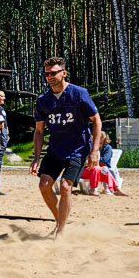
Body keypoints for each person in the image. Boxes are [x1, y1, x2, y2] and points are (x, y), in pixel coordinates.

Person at [29, 56, 102, 239]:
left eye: (53, 73)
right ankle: (60, 221)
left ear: (63, 73)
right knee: (44, 185)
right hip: (55, 148)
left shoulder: (79, 93)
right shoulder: (43, 100)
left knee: (65, 186)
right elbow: (39, 131)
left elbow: (97, 121)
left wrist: (94, 150)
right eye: (46, 74)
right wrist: (36, 157)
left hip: (78, 149)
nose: (50, 76)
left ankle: (60, 232)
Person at [82, 131, 126, 196]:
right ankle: (92, 190)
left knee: (105, 170)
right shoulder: (86, 148)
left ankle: (117, 189)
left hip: (96, 170)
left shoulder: (102, 148)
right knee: (97, 169)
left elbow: (103, 160)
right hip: (84, 171)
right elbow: (82, 162)